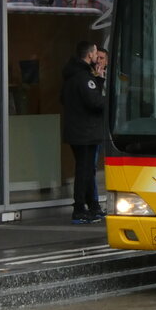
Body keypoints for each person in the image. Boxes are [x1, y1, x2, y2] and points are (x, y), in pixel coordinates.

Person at [61, 40, 106, 223]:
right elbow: (95, 102)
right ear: (89, 55)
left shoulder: (71, 75)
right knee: (85, 171)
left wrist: (98, 80)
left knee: (85, 170)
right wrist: (109, 100)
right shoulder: (84, 77)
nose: (97, 57)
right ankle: (80, 208)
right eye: (96, 53)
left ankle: (91, 206)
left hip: (76, 130)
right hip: (86, 131)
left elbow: (63, 99)